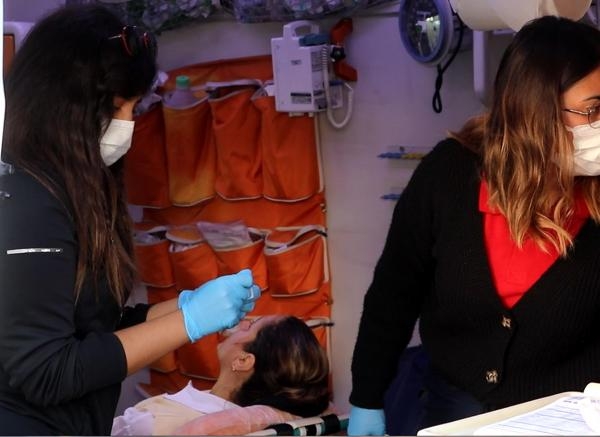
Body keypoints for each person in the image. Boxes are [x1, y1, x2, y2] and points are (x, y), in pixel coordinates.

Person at [0, 4, 259, 436]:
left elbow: (92, 329)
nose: (127, 126)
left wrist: (181, 307)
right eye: (118, 108)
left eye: (135, 109)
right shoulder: (28, 206)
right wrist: (189, 321)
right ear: (63, 108)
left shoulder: (79, 194)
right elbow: (47, 372)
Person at [348, 15, 600, 435]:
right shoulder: (449, 175)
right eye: (593, 109)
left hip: (567, 418)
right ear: (536, 113)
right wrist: (366, 398)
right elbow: (393, 295)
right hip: (455, 411)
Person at [112, 315, 331, 435]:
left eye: (250, 326)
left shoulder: (153, 422)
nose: (242, 323)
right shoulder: (223, 412)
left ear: (243, 361)